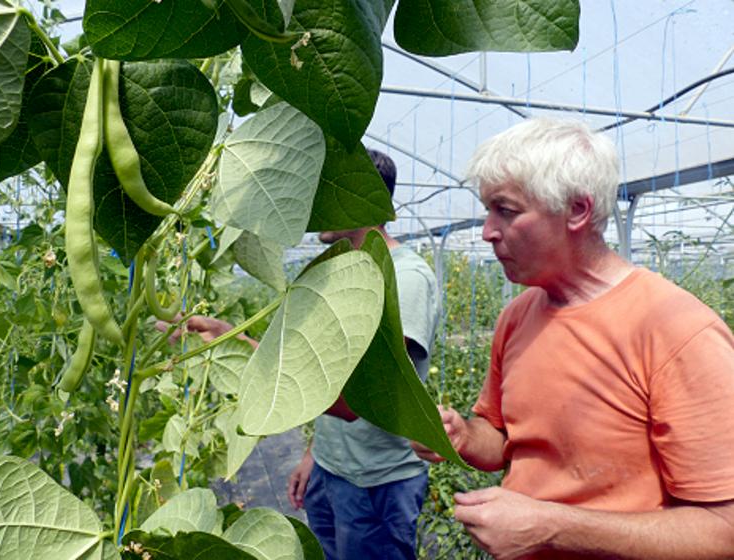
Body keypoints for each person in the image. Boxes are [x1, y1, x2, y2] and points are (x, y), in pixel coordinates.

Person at [412, 118, 734, 559]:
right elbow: (504, 439)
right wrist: (464, 436)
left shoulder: (677, 330)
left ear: (578, 211)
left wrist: (550, 527)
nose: (487, 230)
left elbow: (722, 532)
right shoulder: (517, 317)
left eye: (505, 210)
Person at [287, 149, 441, 560]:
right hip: (331, 467)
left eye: (330, 192)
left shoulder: (405, 278)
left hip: (377, 480)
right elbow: (329, 371)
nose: (317, 204)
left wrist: (244, 351)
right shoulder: (342, 273)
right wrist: (312, 454)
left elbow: (361, 397)